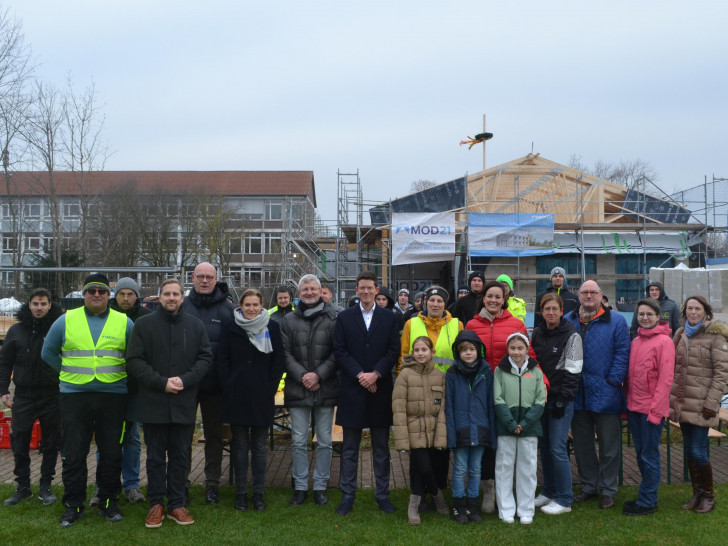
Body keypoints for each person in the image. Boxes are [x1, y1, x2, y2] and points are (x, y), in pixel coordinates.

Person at [42, 273, 134, 527]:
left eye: (102, 291)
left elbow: (135, 356)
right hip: (74, 397)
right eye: (91, 290)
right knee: (73, 453)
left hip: (113, 397)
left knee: (112, 453)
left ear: (109, 295)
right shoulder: (65, 320)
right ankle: (73, 505)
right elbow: (48, 352)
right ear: (83, 294)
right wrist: (67, 372)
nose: (96, 294)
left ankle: (108, 502)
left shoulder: (124, 322)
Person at [125, 279, 212, 528]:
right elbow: (134, 361)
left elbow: (205, 358)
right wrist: (161, 382)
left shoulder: (195, 326)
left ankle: (176, 504)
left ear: (182, 298)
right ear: (159, 297)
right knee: (154, 457)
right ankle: (156, 504)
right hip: (153, 401)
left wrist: (185, 380)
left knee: (180, 455)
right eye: (167, 294)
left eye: (176, 294)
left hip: (184, 401)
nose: (171, 298)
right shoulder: (144, 325)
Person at [465, 280, 536, 514]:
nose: (493, 300)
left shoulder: (516, 323)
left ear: (504, 299)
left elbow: (530, 355)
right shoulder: (472, 324)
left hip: (510, 391)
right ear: (483, 298)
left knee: (505, 441)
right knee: (485, 440)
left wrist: (541, 382)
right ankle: (488, 488)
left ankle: (508, 490)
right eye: (489, 296)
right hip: (481, 390)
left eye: (498, 296)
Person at [333, 270, 400, 516]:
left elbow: (393, 351)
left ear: (377, 290)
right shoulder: (345, 317)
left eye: (370, 288)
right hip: (353, 390)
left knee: (381, 448)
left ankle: (382, 495)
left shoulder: (389, 318)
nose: (365, 291)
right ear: (356, 290)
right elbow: (340, 351)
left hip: (380, 390)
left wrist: (376, 374)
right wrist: (362, 375)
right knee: (349, 448)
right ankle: (347, 495)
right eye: (361, 287)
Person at [218, 288, 285, 512]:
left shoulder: (272, 327)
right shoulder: (230, 327)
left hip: (261, 396)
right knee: (239, 446)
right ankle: (240, 494)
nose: (251, 309)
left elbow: (278, 362)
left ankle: (258, 494)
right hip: (236, 395)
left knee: (258, 446)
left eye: (255, 305)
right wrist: (228, 385)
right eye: (247, 305)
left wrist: (269, 388)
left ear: (262, 306)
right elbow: (223, 360)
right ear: (240, 305)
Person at [565, 280, 630, 510]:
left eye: (593, 292)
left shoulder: (616, 321)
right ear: (578, 295)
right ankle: (590, 486)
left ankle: (608, 489)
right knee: (583, 446)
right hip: (578, 393)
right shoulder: (568, 320)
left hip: (606, 392)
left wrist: (613, 380)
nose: (589, 295)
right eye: (585, 292)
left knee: (609, 447)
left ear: (601, 296)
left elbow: (623, 352)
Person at [0, 288, 63, 507]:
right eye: (35, 304)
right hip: (24, 396)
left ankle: (46, 485)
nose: (39, 308)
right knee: (19, 441)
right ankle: (23, 486)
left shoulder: (58, 329)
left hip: (52, 394)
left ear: (49, 305)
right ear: (29, 305)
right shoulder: (16, 331)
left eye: (43, 304)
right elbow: (5, 362)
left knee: (51, 443)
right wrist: (3, 390)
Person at [281, 275, 339, 507]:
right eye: (304, 289)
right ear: (299, 292)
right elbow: (284, 354)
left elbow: (338, 352)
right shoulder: (288, 320)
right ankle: (301, 486)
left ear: (320, 291)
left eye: (313, 289)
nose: (309, 292)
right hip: (298, 387)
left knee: (325, 441)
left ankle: (321, 486)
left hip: (326, 387)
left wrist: (319, 375)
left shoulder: (334, 318)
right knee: (297, 441)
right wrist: (304, 376)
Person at [180, 262, 235, 505]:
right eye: (200, 276)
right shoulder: (180, 307)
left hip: (215, 386)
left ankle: (212, 483)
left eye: (209, 277)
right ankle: (181, 483)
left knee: (214, 436)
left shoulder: (228, 310)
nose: (204, 281)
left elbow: (233, 350)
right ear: (192, 278)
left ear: (216, 279)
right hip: (185, 385)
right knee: (183, 436)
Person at [670, 295, 728, 514]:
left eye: (697, 309)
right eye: (689, 309)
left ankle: (708, 497)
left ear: (706, 312)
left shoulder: (716, 336)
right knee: (689, 451)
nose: (693, 312)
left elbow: (722, 374)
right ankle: (697, 494)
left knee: (698, 450)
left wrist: (712, 403)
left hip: (704, 404)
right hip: (683, 402)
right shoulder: (680, 334)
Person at [530, 293, 583, 516]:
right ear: (541, 312)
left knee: (558, 449)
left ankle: (564, 498)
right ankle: (549, 490)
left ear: (562, 311)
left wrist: (564, 398)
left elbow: (574, 369)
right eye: (546, 309)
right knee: (544, 448)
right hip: (542, 399)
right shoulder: (538, 333)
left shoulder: (572, 335)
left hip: (562, 399)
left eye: (554, 309)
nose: (550, 313)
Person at [622, 297, 675, 516]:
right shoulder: (636, 341)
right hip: (635, 408)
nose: (644, 318)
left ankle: (648, 501)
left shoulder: (664, 342)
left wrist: (656, 411)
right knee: (641, 454)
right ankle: (646, 495)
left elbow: (665, 379)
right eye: (641, 314)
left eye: (649, 315)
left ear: (657, 316)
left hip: (651, 410)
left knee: (649, 455)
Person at [104, 277, 152, 506]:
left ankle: (131, 485)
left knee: (132, 438)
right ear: (115, 296)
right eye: (121, 294)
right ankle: (104, 485)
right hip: (108, 388)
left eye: (130, 294)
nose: (125, 298)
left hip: (134, 389)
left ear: (136, 296)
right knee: (106, 439)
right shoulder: (106, 316)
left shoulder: (145, 319)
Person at [392, 336, 448, 525]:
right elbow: (398, 409)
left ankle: (415, 507)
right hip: (413, 430)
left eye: (424, 350)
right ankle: (436, 496)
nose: (420, 353)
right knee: (423, 466)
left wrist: (441, 434)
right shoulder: (404, 376)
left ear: (432, 352)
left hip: (433, 430)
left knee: (422, 470)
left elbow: (442, 409)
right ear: (412, 352)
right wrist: (402, 439)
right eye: (416, 350)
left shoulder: (440, 376)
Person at [493, 333, 546, 525]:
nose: (516, 352)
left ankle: (526, 510)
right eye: (513, 348)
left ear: (527, 349)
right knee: (504, 467)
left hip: (529, 427)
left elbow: (541, 399)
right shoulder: (500, 370)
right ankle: (506, 509)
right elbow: (497, 399)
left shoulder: (536, 370)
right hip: (506, 426)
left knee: (528, 469)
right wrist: (510, 423)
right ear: (508, 349)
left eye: (520, 348)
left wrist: (525, 423)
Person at [445, 330, 497, 524]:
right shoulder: (452, 374)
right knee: (459, 469)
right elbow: (448, 406)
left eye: (472, 349)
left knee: (476, 469)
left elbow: (491, 404)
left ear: (479, 351)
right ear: (457, 353)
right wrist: (451, 434)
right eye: (463, 350)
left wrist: (492, 434)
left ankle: (472, 506)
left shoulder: (486, 372)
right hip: (460, 429)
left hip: (481, 428)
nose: (468, 353)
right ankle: (459, 507)